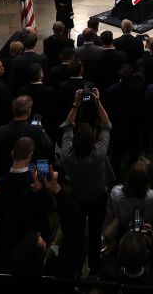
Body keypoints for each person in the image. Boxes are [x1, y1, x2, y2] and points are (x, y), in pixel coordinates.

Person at [60, 87, 112, 274]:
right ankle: (94, 263)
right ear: (93, 141)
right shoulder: (99, 154)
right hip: (97, 196)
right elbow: (106, 125)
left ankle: (76, 262)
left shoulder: (67, 154)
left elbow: (67, 125)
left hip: (76, 196)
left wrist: (76, 104)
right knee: (96, 228)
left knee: (77, 230)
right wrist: (98, 103)